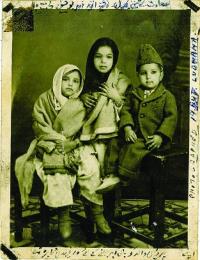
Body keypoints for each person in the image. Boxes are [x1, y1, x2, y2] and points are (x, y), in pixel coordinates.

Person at [15, 64, 111, 244]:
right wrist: (58, 140)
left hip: (75, 144)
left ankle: (98, 212)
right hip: (50, 144)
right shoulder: (45, 99)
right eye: (66, 79)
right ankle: (63, 216)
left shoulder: (81, 103)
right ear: (58, 80)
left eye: (75, 81)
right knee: (57, 173)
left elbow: (86, 128)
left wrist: (73, 143)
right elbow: (39, 125)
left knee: (91, 167)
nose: (70, 84)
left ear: (80, 84)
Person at [117, 44, 178, 185]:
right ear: (138, 75)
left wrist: (160, 136)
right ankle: (109, 173)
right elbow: (125, 111)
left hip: (153, 140)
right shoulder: (134, 94)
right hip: (135, 134)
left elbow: (171, 118)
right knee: (115, 143)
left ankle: (122, 176)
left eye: (153, 72)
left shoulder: (167, 96)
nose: (148, 77)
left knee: (133, 148)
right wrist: (127, 128)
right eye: (144, 73)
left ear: (161, 74)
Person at [80, 37, 131, 193]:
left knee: (109, 165)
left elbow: (131, 111)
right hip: (89, 136)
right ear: (92, 58)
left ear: (114, 58)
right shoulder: (86, 81)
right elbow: (77, 110)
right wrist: (82, 97)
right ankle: (96, 209)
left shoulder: (121, 81)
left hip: (116, 135)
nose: (103, 61)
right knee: (92, 168)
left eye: (109, 57)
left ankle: (114, 206)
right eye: (98, 56)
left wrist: (116, 97)